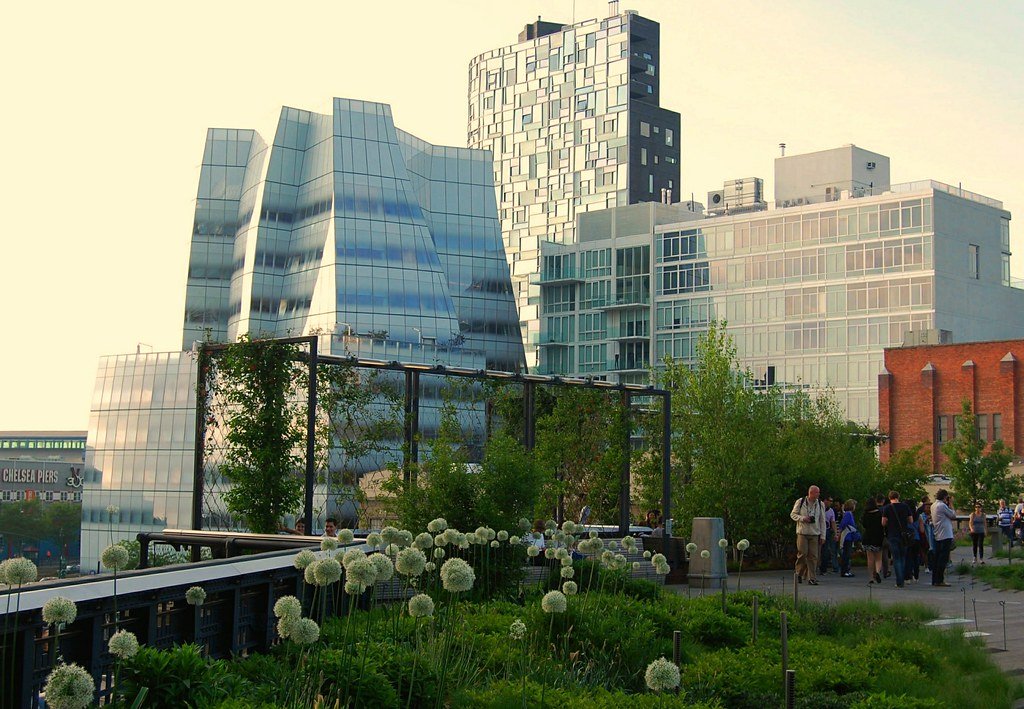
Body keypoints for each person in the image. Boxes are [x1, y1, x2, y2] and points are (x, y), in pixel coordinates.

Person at [790, 485, 827, 585]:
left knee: (813, 556)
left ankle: (812, 578)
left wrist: (823, 536)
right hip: (802, 533)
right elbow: (793, 514)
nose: (818, 494)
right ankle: (799, 573)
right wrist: (802, 518)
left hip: (814, 533)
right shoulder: (801, 502)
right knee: (803, 554)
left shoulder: (820, 504)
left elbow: (822, 520)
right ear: (811, 493)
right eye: (817, 493)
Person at [880, 490, 913, 588]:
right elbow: (910, 520)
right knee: (903, 557)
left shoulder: (887, 508)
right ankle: (903, 578)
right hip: (904, 536)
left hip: (892, 535)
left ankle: (899, 581)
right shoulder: (905, 506)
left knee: (896, 558)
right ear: (898, 496)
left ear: (889, 498)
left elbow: (883, 523)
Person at [931, 489, 956, 587]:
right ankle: (939, 580)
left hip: (938, 533)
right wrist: (951, 504)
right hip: (945, 534)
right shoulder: (942, 506)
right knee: (943, 558)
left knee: (937, 558)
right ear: (945, 497)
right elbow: (953, 515)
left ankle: (935, 579)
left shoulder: (933, 505)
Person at [862, 495, 884, 584]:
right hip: (878, 537)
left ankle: (871, 577)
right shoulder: (879, 513)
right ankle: (878, 572)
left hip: (867, 537)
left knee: (870, 559)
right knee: (878, 558)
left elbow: (864, 525)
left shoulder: (865, 514)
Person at [838, 499, 860, 577]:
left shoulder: (848, 514)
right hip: (847, 536)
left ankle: (846, 570)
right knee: (846, 554)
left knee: (847, 554)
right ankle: (844, 571)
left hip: (849, 536)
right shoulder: (848, 514)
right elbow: (843, 524)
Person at [818, 495, 838, 575]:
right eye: (829, 501)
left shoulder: (831, 511)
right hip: (818, 530)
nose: (831, 503)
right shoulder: (819, 508)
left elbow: (833, 522)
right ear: (825, 500)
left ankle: (823, 569)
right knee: (817, 551)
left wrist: (835, 533)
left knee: (825, 551)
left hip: (827, 530)